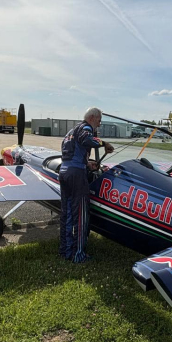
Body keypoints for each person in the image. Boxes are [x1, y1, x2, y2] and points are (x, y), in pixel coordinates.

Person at [59, 107, 114, 263]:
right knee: (81, 214)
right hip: (76, 176)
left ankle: (65, 250)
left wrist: (86, 164)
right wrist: (104, 143)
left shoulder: (70, 132)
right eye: (99, 120)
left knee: (67, 213)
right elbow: (86, 139)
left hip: (64, 172)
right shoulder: (86, 128)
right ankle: (78, 254)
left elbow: (69, 154)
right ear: (92, 117)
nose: (99, 124)